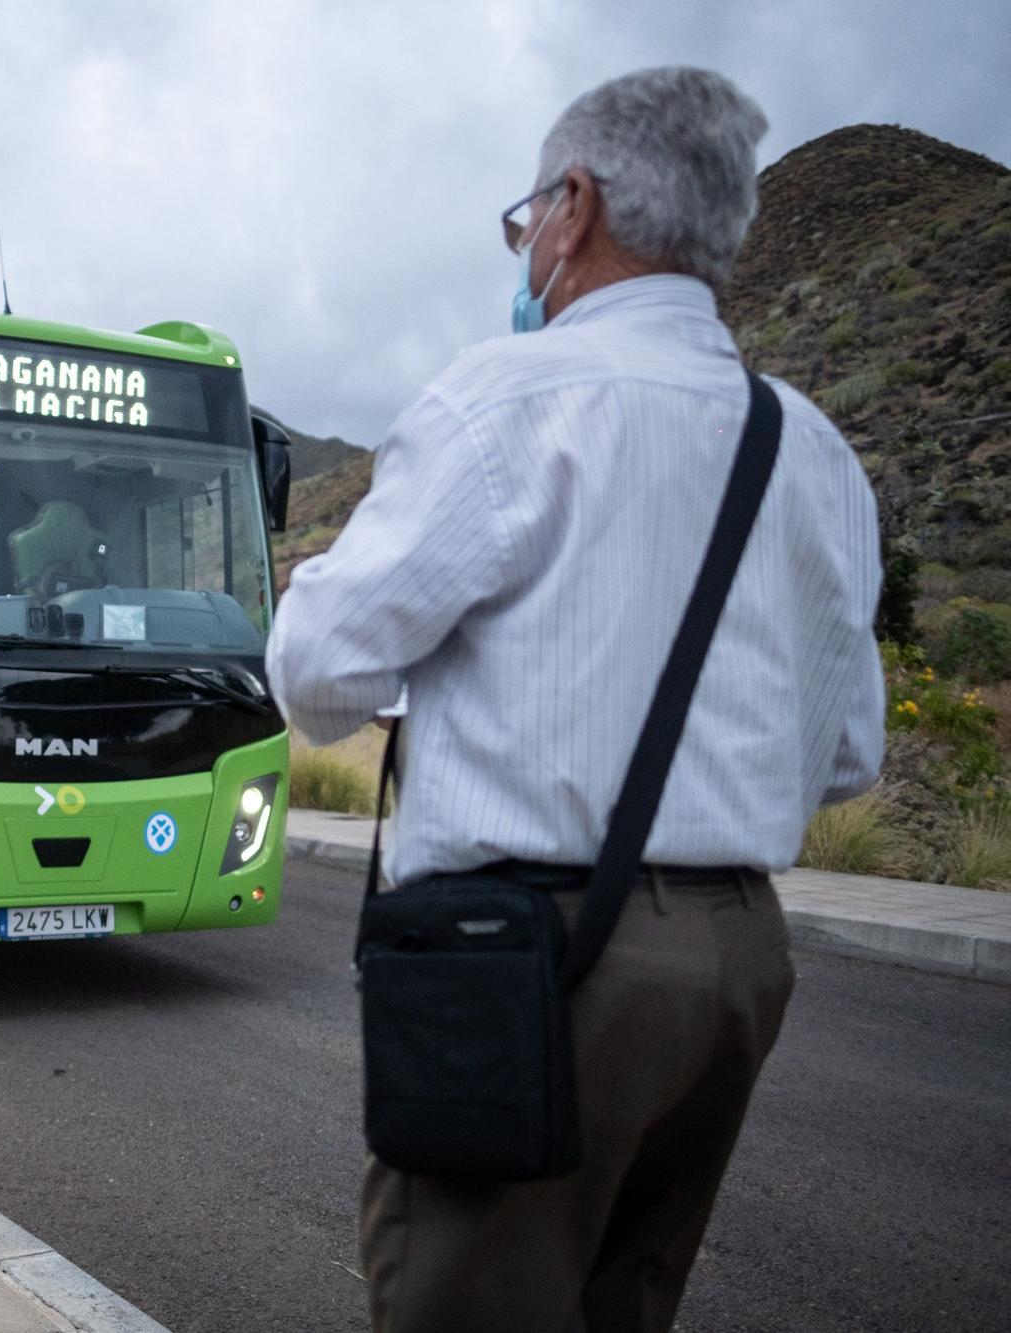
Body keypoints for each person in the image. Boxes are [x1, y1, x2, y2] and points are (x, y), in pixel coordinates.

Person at [266, 68, 883, 1332]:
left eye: (524, 220)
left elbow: (318, 677)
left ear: (575, 206)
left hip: (537, 957)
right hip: (736, 964)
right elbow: (845, 756)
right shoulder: (808, 448)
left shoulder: (505, 400)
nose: (524, 249)